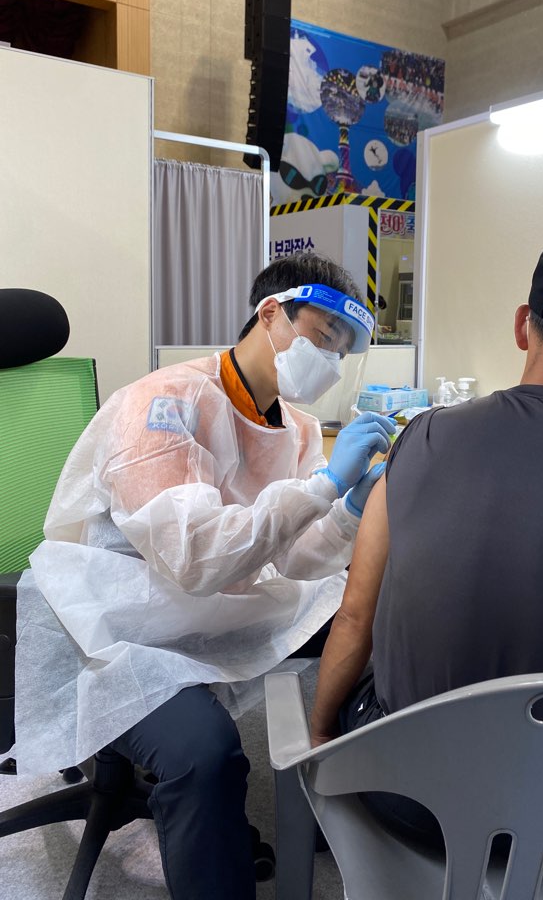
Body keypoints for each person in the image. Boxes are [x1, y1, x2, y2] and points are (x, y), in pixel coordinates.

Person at [13, 252, 395, 899]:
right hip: (116, 628)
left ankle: (341, 804)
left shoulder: (299, 430)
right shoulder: (162, 404)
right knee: (204, 753)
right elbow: (192, 558)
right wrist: (324, 486)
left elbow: (291, 557)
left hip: (213, 609)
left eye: (343, 350)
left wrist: (348, 511)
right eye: (323, 337)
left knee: (371, 633)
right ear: (271, 314)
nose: (330, 361)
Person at [309, 238, 543, 846]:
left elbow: (355, 615)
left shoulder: (423, 434)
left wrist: (322, 741)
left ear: (521, 326)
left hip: (405, 796)